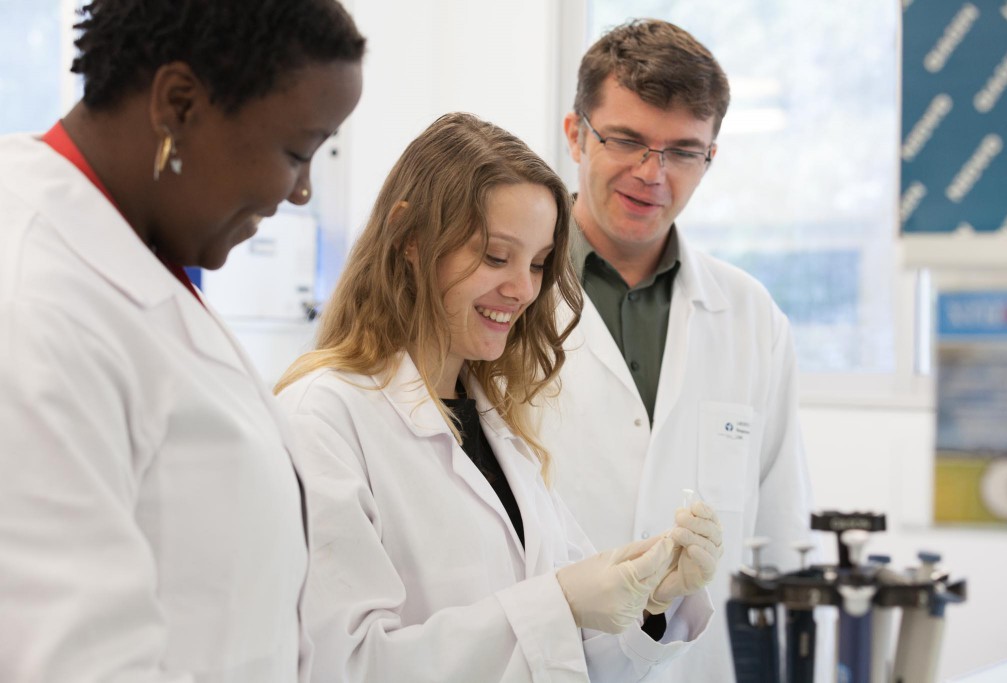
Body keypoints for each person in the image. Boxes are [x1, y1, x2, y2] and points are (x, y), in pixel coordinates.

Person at [274, 112, 724, 683]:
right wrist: (558, 603)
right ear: (411, 238)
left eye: (538, 263)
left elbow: (566, 655)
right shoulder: (325, 416)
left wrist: (651, 603)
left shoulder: (495, 420)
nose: (523, 289)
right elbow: (346, 664)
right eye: (495, 256)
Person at [0, 1, 364, 681]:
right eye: (297, 152)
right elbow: (73, 662)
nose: (301, 192)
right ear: (178, 103)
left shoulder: (133, 258)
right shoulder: (31, 302)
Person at [535, 19, 817, 680]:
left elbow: (779, 528)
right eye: (628, 140)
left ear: (710, 157)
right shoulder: (509, 298)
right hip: (549, 659)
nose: (652, 173)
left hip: (701, 665)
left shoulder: (750, 315)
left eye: (683, 150)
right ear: (576, 134)